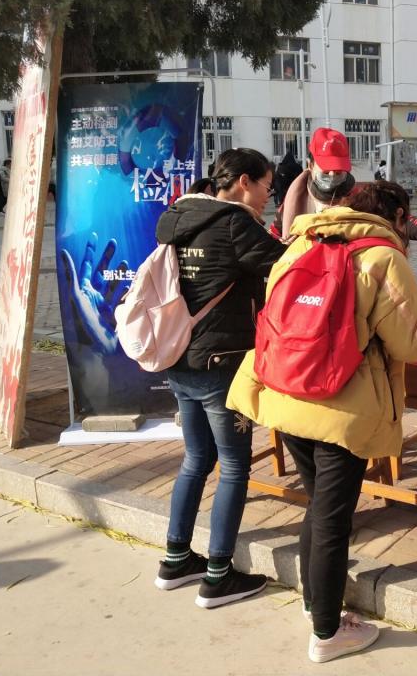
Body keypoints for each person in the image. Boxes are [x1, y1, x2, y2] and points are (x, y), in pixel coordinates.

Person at [257, 182, 417, 663]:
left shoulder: (301, 242)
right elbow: (409, 343)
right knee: (332, 517)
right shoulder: (383, 258)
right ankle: (327, 632)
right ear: (398, 217)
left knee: (319, 506)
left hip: (287, 390)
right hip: (342, 404)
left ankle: (314, 604)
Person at [152, 148, 285, 609]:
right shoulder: (234, 223)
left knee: (196, 458)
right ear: (244, 181)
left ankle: (175, 560)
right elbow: (285, 264)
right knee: (234, 465)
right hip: (222, 365)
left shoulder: (179, 215)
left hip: (180, 358)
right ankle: (218, 575)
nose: (268, 195)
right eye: (267, 186)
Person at [281, 128, 417, 255]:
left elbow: (397, 217)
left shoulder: (360, 196)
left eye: (338, 171)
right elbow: (277, 239)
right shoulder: (296, 199)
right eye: (327, 172)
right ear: (310, 165)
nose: (333, 176)